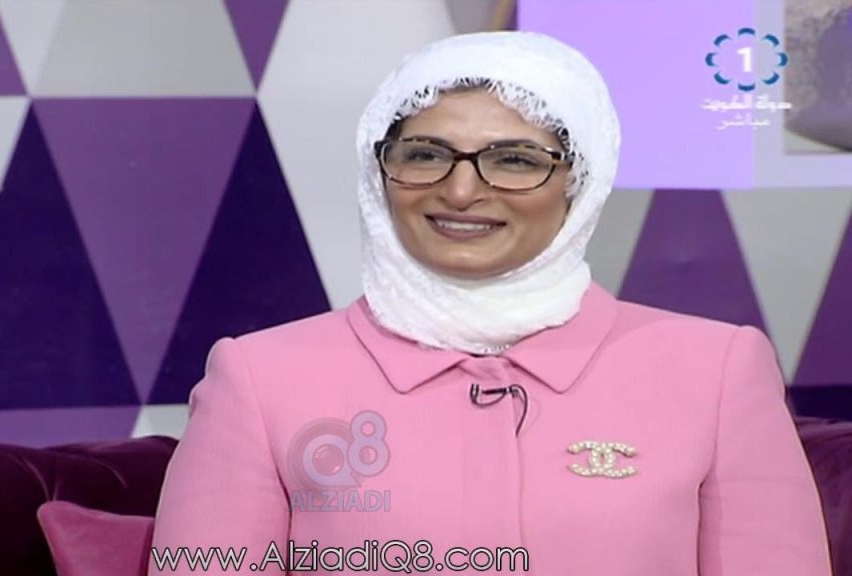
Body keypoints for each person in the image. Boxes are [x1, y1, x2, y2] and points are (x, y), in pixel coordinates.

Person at [148, 31, 832, 575]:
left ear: (580, 182)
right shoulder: (259, 377)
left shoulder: (716, 369)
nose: (461, 191)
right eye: (425, 155)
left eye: (515, 159)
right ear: (379, 172)